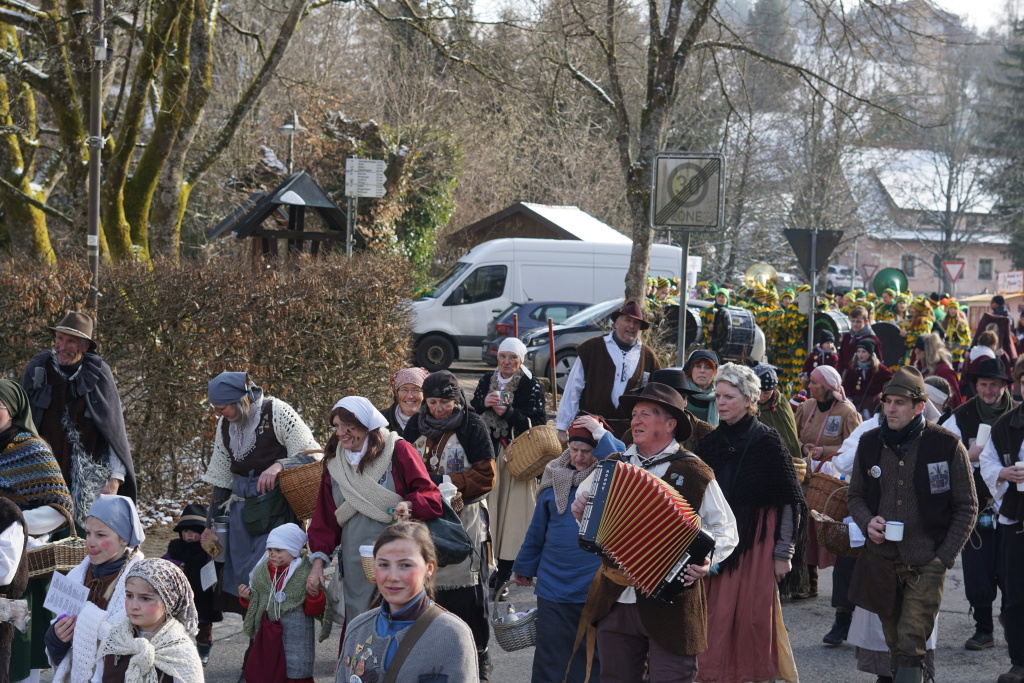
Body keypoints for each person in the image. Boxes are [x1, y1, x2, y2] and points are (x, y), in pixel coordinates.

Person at [569, 383, 738, 683]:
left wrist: (707, 560)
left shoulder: (695, 472)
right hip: (616, 598)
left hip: (673, 604)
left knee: (672, 678)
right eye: (634, 415)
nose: (636, 421)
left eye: (646, 414)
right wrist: (581, 513)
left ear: (671, 424)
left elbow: (726, 529)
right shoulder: (611, 467)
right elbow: (586, 519)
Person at [847, 366, 977, 683]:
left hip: (926, 560)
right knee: (893, 641)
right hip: (882, 560)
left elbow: (967, 505)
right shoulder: (869, 443)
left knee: (910, 641)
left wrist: (942, 557)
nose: (890, 408)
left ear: (919, 406)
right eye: (887, 401)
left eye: (899, 402)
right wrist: (868, 521)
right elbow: (854, 497)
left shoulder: (946, 445)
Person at [694, 363, 806, 683]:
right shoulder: (710, 443)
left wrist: (784, 553)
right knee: (714, 620)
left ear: (748, 399)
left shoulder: (768, 442)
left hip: (756, 545)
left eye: (729, 396)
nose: (722, 403)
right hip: (716, 542)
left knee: (750, 620)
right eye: (718, 396)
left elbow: (789, 500)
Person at [306, 396, 441, 631]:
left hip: (399, 555)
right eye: (337, 426)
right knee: (360, 619)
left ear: (366, 425)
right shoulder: (334, 465)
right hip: (356, 563)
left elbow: (432, 498)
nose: (341, 432)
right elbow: (324, 520)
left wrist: (409, 505)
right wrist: (317, 564)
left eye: (349, 426)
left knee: (401, 614)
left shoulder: (398, 450)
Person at [199, 372, 321, 615]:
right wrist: (209, 524)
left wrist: (280, 466)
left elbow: (313, 455)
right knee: (244, 581)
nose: (217, 414)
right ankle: (254, 640)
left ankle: (273, 641)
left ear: (240, 401)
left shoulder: (277, 411)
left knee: (272, 575)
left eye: (221, 408)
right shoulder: (225, 425)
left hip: (276, 514)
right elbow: (221, 479)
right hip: (240, 517)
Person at [512, 417, 622, 683]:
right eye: (574, 449)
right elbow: (537, 531)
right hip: (553, 584)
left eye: (587, 451)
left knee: (591, 653)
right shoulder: (552, 479)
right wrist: (524, 567)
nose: (579, 457)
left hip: (593, 583)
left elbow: (624, 460)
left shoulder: (609, 482)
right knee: (551, 652)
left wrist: (600, 433)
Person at [403, 371, 496, 679]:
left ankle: (475, 659)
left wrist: (446, 482)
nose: (439, 408)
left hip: (463, 519)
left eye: (445, 402)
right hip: (424, 521)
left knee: (466, 593)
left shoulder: (472, 426)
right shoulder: (415, 425)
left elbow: (487, 477)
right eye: (432, 402)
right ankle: (429, 658)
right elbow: (401, 467)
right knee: (426, 588)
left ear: (456, 400)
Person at [20, 311, 136, 524]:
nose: (62, 347)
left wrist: (115, 479)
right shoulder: (37, 370)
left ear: (84, 346)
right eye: (59, 339)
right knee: (42, 545)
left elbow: (114, 430)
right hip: (43, 477)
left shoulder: (99, 375)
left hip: (89, 481)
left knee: (85, 541)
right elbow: (20, 424)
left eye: (71, 342)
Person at [0, 379, 75, 683]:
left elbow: (60, 509)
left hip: (19, 562)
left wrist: (16, 523)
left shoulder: (33, 448)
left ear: (13, 409)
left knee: (19, 648)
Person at [338, 522, 478, 682]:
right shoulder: (358, 630)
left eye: (405, 565)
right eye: (383, 565)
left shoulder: (452, 635)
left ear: (429, 568)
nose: (392, 576)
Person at [943, 357, 1016, 652]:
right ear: (976, 386)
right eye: (984, 384)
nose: (988, 390)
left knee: (1014, 573)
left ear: (1004, 385)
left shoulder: (1018, 414)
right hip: (978, 508)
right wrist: (968, 454)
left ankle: (1013, 626)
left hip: (1016, 509)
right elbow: (941, 454)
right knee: (978, 572)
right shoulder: (962, 416)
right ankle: (983, 629)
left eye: (994, 384)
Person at [470, 338, 546, 594]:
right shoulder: (485, 380)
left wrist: (509, 412)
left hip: (516, 459)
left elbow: (538, 424)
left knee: (512, 518)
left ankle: (503, 574)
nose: (506, 362)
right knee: (489, 515)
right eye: (503, 356)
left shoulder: (530, 384)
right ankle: (489, 571)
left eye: (512, 357)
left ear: (521, 361)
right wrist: (484, 404)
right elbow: (471, 410)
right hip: (486, 454)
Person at [45, 495, 147, 683]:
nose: (90, 541)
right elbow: (63, 649)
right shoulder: (76, 577)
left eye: (100, 535)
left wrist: (86, 619)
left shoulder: (140, 583)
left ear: (124, 539)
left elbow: (132, 643)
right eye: (88, 533)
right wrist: (56, 639)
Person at [794, 364, 862, 644]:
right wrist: (803, 448)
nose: (809, 386)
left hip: (834, 485)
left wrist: (827, 451)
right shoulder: (806, 406)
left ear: (827, 388)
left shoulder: (847, 412)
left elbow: (857, 444)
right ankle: (806, 582)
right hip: (808, 479)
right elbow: (794, 434)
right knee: (804, 530)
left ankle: (847, 611)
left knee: (832, 534)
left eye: (813, 383)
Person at [556, 300, 661, 438]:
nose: (631, 326)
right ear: (617, 322)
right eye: (627, 320)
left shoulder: (648, 356)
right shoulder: (591, 348)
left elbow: (655, 396)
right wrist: (563, 426)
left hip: (628, 433)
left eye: (636, 323)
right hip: (589, 428)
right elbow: (573, 388)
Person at [980, 356, 1024, 683]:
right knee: (1016, 595)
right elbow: (986, 462)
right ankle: (1020, 662)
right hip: (1016, 522)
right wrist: (1003, 473)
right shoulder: (1006, 424)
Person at [239, 524, 329, 683]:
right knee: (269, 670)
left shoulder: (306, 572)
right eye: (270, 550)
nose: (272, 555)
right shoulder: (262, 572)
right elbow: (258, 601)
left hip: (298, 636)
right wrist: (247, 598)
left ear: (293, 549)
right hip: (269, 633)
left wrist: (314, 595)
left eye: (278, 551)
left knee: (296, 671)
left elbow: (314, 610)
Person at [92, 558, 203, 683]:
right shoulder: (114, 639)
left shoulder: (181, 652)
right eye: (129, 596)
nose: (134, 606)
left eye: (145, 598)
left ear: (168, 602)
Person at [162, 504, 221, 665]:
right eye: (186, 532)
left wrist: (213, 541)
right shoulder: (176, 548)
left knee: (203, 629)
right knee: (177, 627)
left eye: (194, 532)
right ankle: (179, 652)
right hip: (179, 597)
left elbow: (219, 559)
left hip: (203, 595)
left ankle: (203, 652)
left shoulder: (207, 548)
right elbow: (163, 562)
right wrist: (175, 563)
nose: (189, 536)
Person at [645, 368, 714, 450]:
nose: (666, 405)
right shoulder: (637, 431)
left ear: (685, 402)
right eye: (659, 400)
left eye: (673, 398)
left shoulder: (705, 434)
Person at [754, 364, 803, 477]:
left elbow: (789, 439)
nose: (761, 397)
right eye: (758, 391)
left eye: (766, 393)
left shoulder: (781, 406)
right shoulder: (745, 404)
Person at [843, 338, 894, 419]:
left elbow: (892, 379)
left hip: (872, 405)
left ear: (870, 353)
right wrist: (849, 398)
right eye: (858, 351)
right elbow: (846, 385)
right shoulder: (853, 368)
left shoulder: (878, 368)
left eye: (864, 352)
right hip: (855, 405)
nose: (860, 355)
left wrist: (885, 395)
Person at [914, 332, 963, 409]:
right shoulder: (921, 369)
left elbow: (955, 402)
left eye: (917, 349)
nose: (915, 351)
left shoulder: (944, 371)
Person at [383, 367, 429, 434]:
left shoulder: (434, 421)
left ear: (424, 394)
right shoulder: (381, 420)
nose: (410, 396)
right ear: (396, 393)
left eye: (415, 390)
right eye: (404, 390)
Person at [681, 349, 719, 426]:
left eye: (708, 367)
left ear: (715, 372)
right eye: (698, 366)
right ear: (691, 370)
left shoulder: (722, 397)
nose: (702, 371)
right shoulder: (681, 394)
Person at [840, 307, 883, 371]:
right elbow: (841, 357)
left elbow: (878, 361)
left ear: (866, 321)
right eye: (852, 321)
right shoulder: (847, 336)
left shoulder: (872, 338)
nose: (855, 324)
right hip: (847, 373)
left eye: (858, 322)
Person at [943, 302, 972, 371]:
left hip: (958, 358)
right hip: (944, 355)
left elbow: (968, 341)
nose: (953, 310)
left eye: (955, 308)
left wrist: (957, 341)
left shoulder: (962, 323)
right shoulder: (943, 322)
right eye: (951, 308)